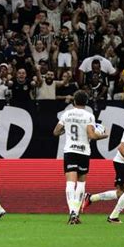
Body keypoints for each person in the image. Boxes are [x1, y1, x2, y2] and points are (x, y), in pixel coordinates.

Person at [53, 90, 109, 224]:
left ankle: (72, 212)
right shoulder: (89, 116)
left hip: (70, 151)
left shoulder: (66, 114)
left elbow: (55, 132)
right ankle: (76, 213)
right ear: (86, 102)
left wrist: (65, 129)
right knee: (81, 183)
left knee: (70, 183)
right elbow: (92, 135)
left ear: (74, 101)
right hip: (83, 152)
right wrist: (104, 135)